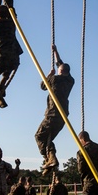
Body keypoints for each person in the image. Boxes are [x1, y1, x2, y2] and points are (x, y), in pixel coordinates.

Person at [35, 45, 74, 173]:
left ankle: (49, 158)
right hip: (63, 117)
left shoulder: (54, 79)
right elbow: (61, 65)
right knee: (48, 140)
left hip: (52, 114)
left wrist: (49, 75)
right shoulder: (70, 81)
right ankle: (50, 160)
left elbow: (42, 86)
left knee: (39, 136)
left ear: (60, 72)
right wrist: (56, 52)